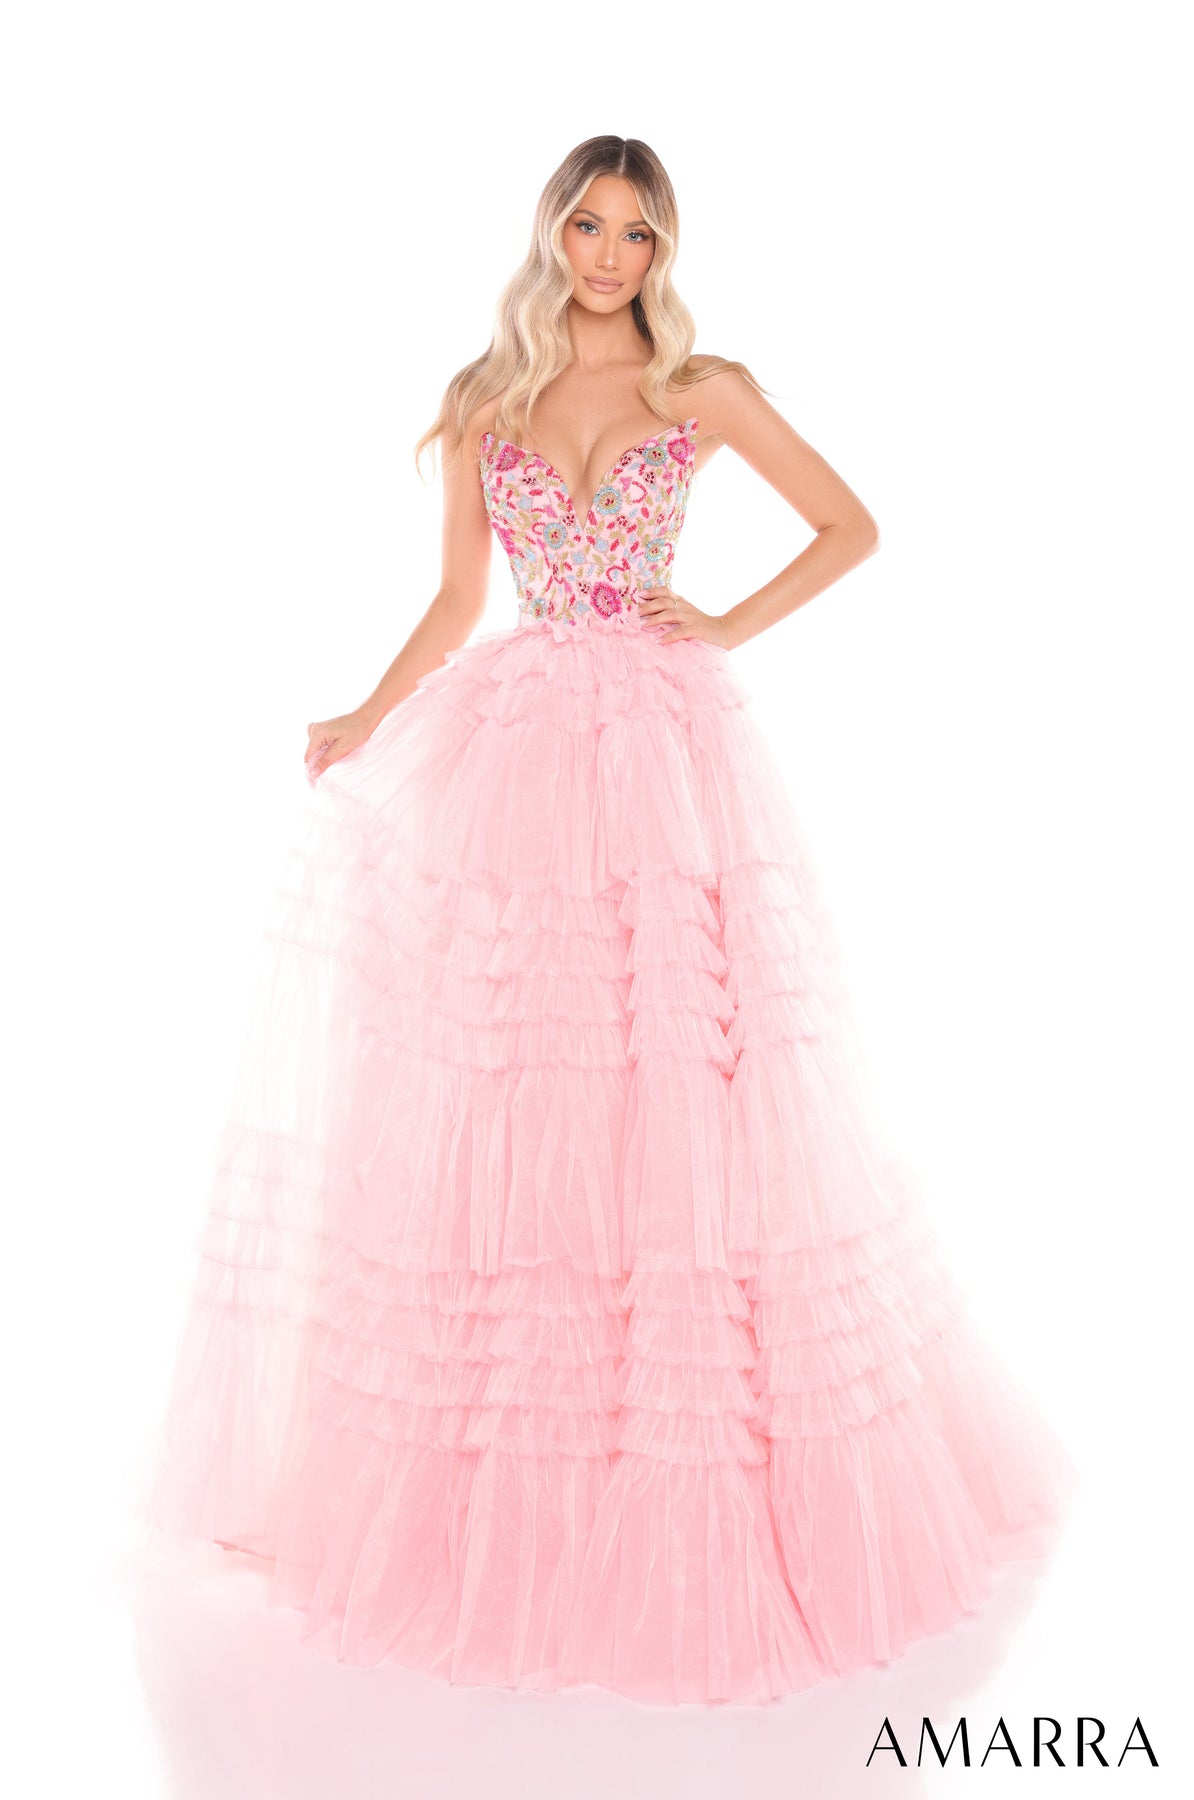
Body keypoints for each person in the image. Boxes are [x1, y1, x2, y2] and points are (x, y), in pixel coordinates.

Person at [135, 134, 1072, 1707]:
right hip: (516, 751)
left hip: (660, 750)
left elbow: (849, 526)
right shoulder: (483, 399)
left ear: (662, 250)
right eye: (587, 225)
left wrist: (723, 622)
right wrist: (364, 713)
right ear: (551, 231)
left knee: (683, 1072)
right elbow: (457, 603)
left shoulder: (699, 390)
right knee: (524, 1080)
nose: (607, 256)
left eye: (636, 234)